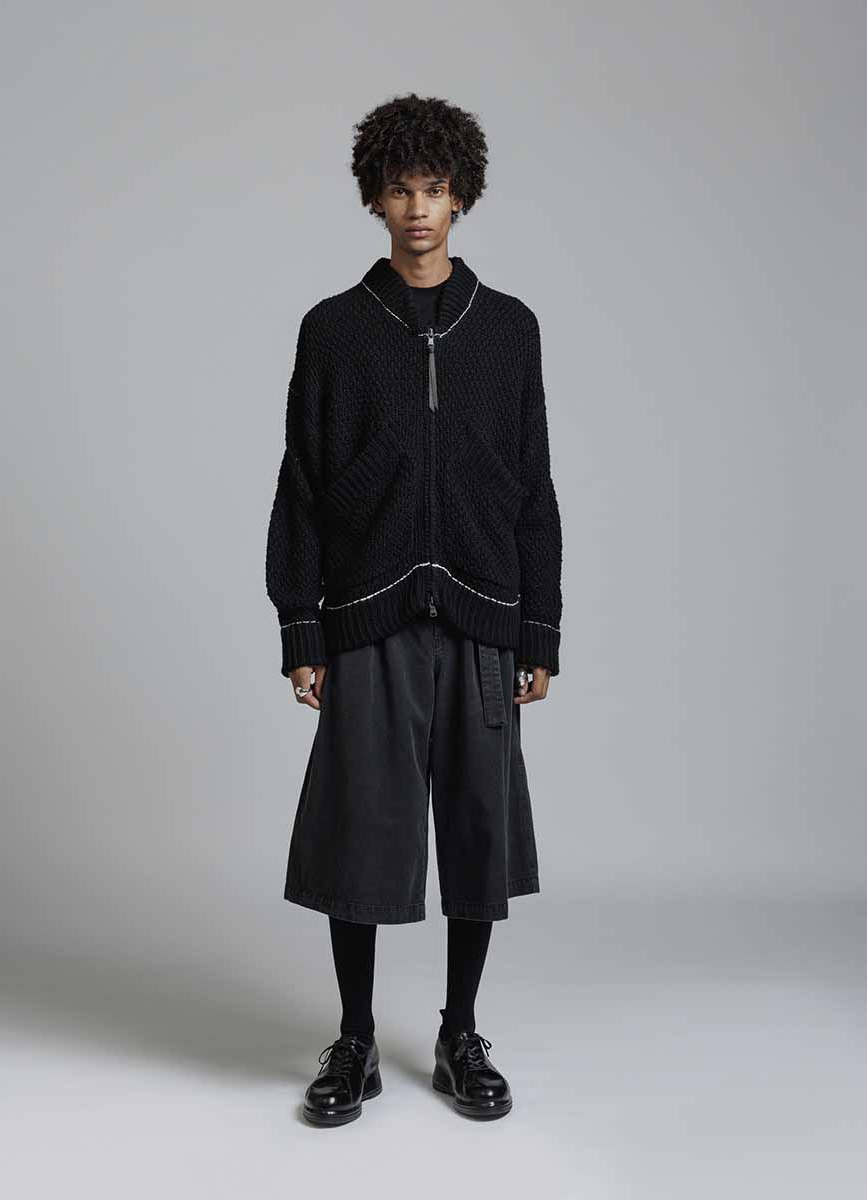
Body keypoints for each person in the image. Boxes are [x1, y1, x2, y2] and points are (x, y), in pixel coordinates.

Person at [265, 91, 562, 1125]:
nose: (419, 208)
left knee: (478, 836)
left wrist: (540, 627)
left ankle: (458, 1031)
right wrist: (301, 628)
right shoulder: (335, 331)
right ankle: (354, 1039)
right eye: (401, 189)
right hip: (368, 617)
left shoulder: (509, 330)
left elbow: (533, 486)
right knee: (361, 834)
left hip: (483, 618)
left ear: (461, 195)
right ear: (375, 199)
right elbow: (303, 485)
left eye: (435, 188)